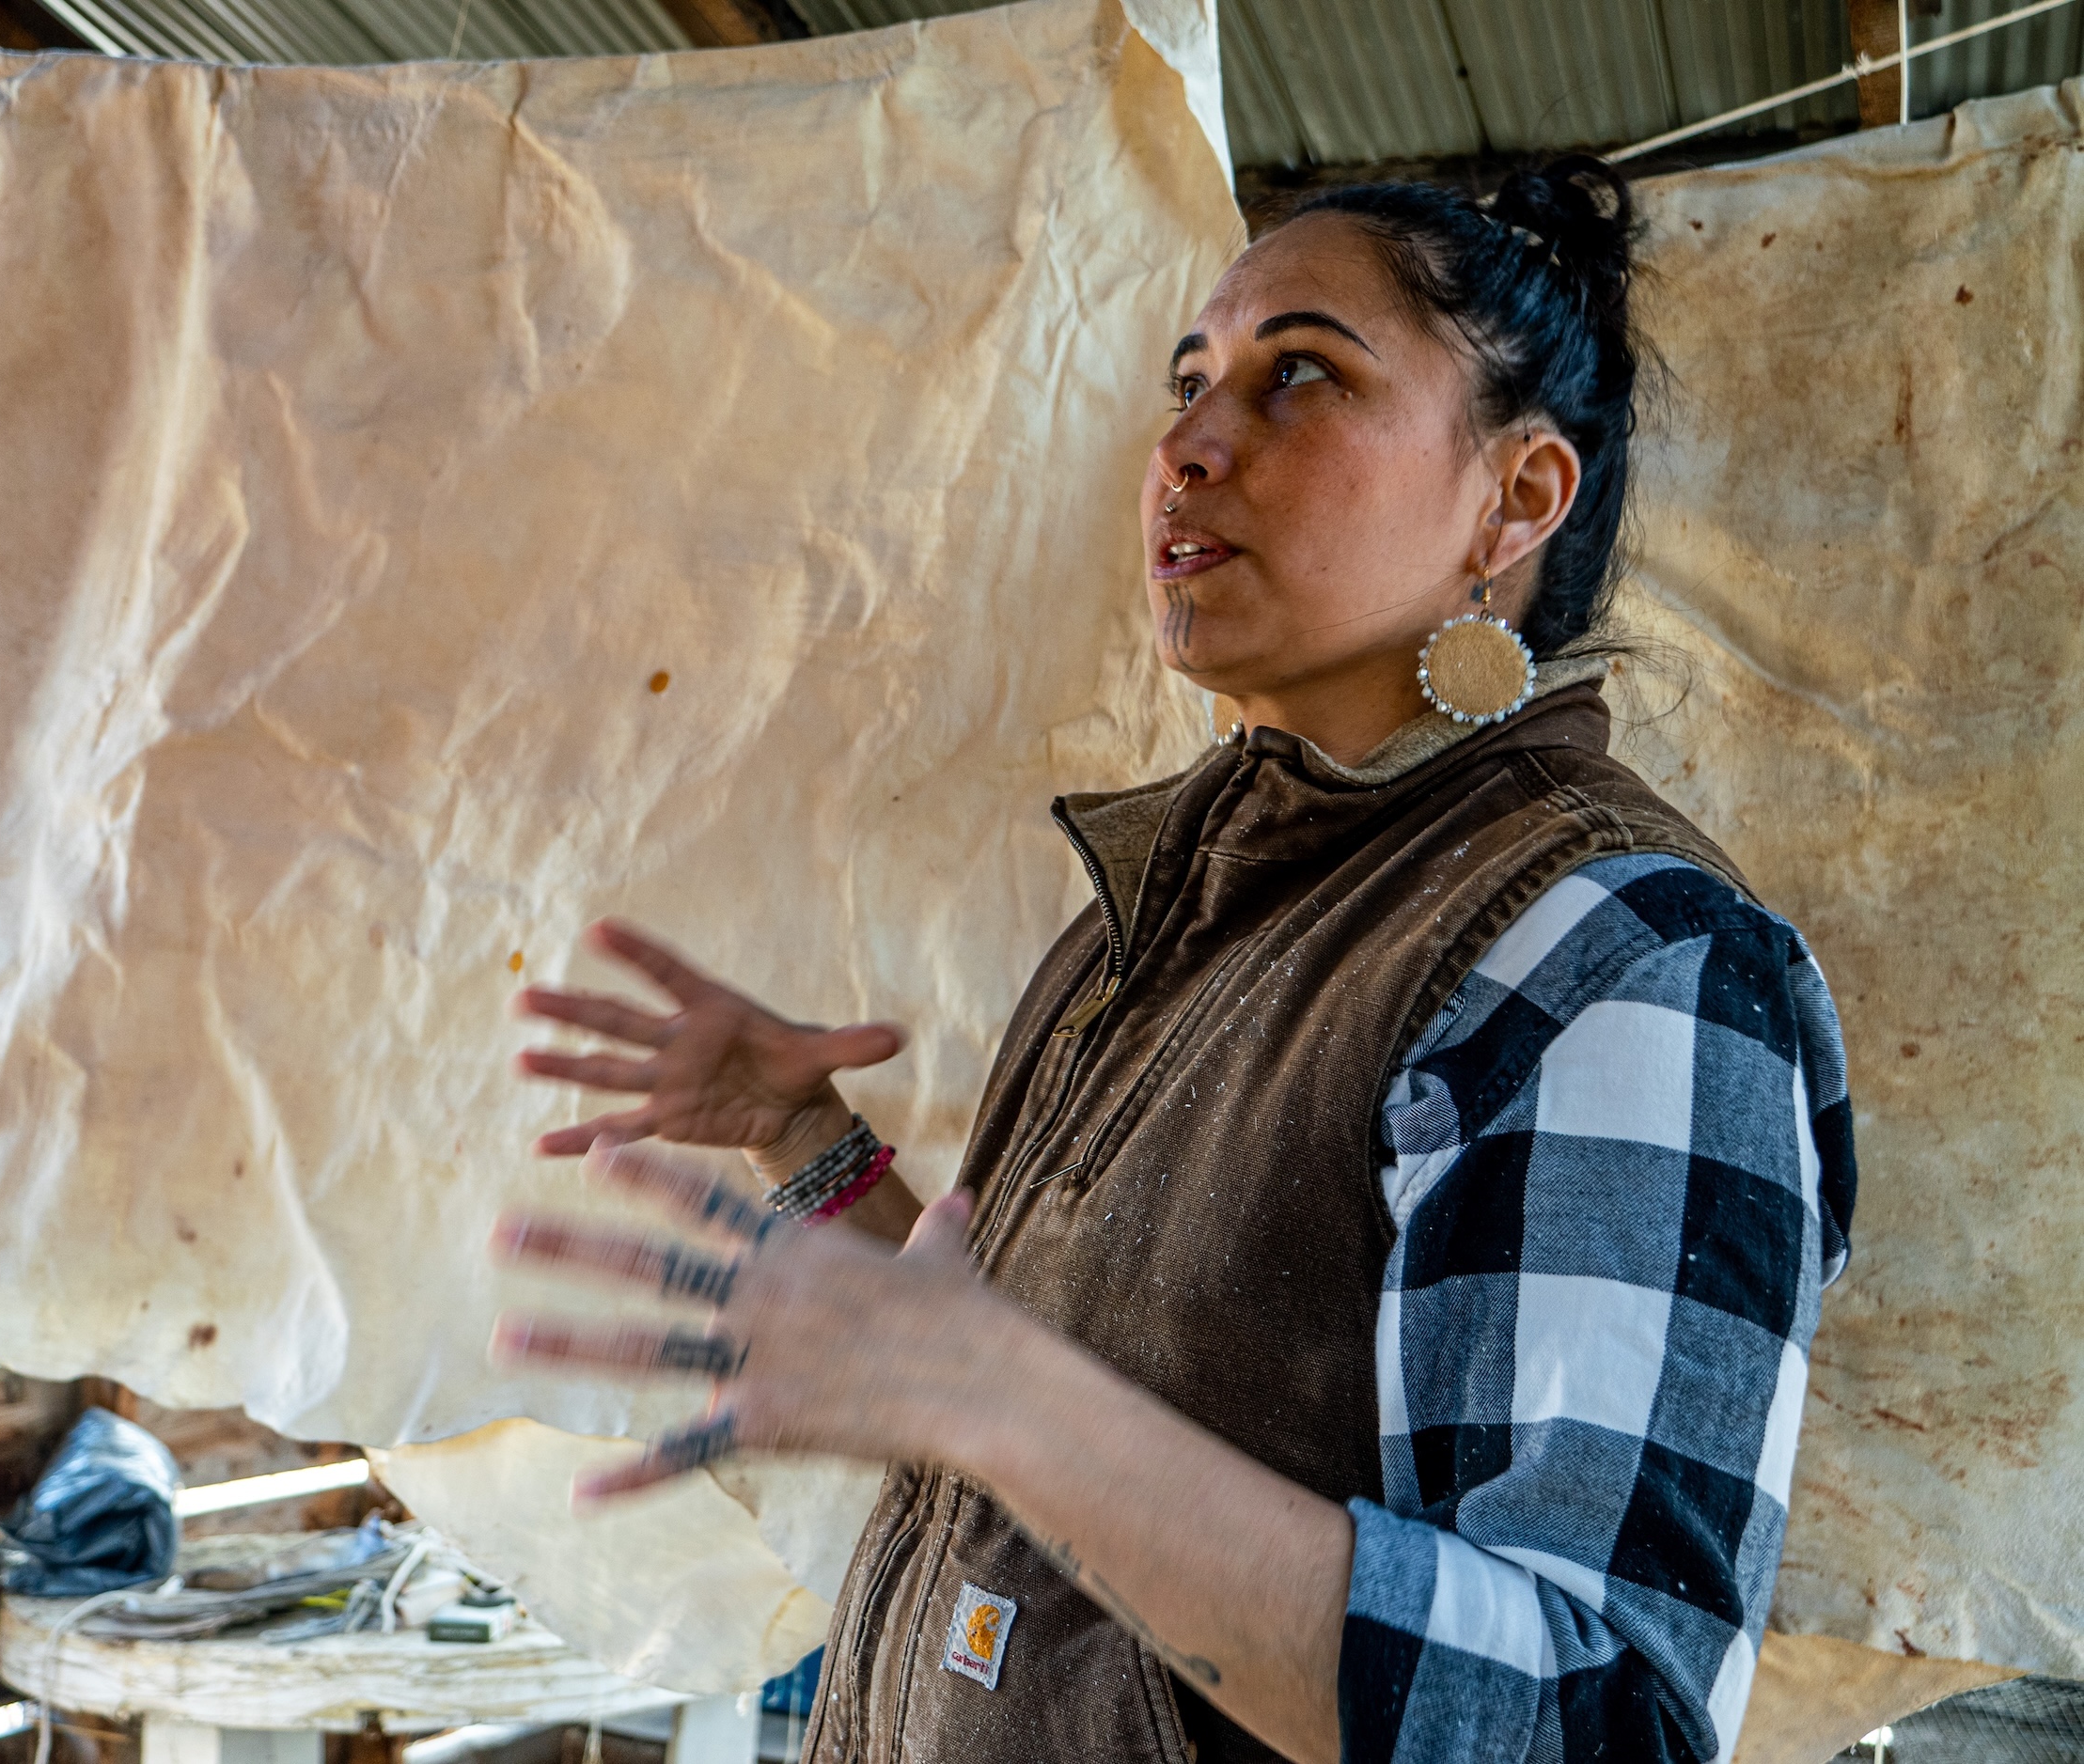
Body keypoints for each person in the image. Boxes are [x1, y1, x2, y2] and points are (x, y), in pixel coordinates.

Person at [491, 156, 1857, 1764]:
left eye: (1301, 375)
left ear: (1517, 500)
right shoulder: (1178, 905)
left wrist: (993, 1392)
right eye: (1190, 382)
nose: (1192, 443)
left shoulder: (1622, 959)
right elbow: (1040, 1395)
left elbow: (1594, 1715)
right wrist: (808, 1145)